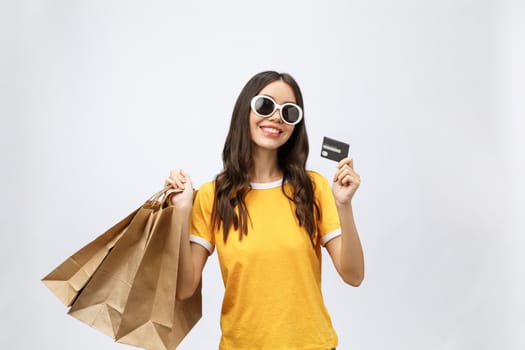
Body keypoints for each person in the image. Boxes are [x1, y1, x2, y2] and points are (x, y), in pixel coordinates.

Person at [165, 71, 364, 350]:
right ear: (245, 111)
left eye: (289, 112)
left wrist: (344, 205)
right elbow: (184, 289)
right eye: (265, 105)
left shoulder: (313, 188)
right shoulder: (214, 195)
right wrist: (182, 212)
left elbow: (353, 275)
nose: (276, 118)